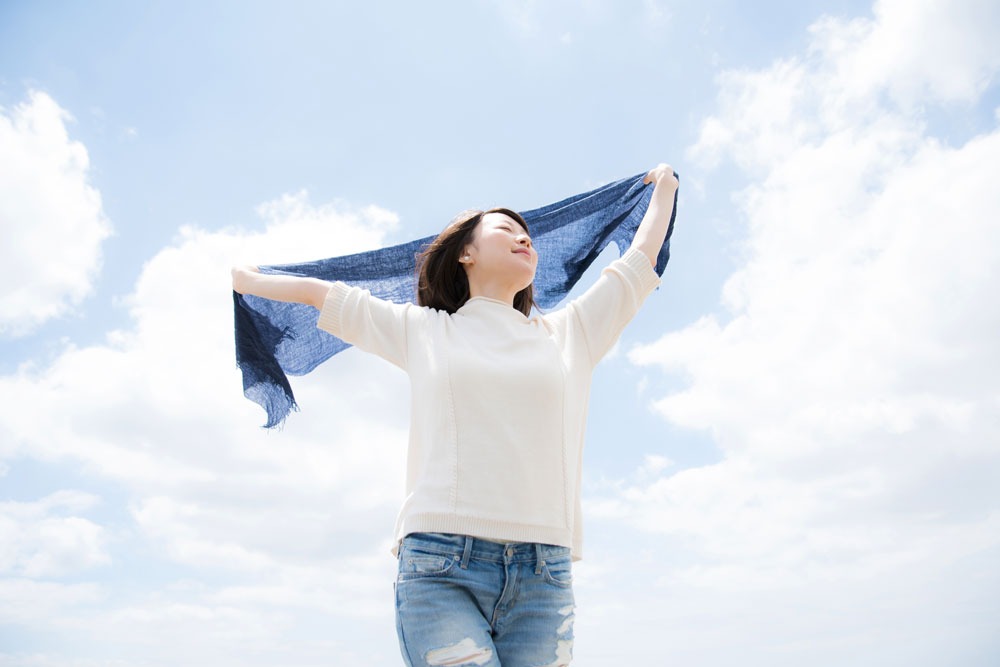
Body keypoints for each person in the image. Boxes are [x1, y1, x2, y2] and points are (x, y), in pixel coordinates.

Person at [231, 163, 679, 667]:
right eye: (506, 229)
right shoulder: (424, 329)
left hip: (544, 574)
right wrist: (248, 279)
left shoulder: (572, 334)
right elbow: (322, 294)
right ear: (466, 252)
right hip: (441, 566)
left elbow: (638, 264)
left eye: (529, 236)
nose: (524, 239)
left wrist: (664, 187)